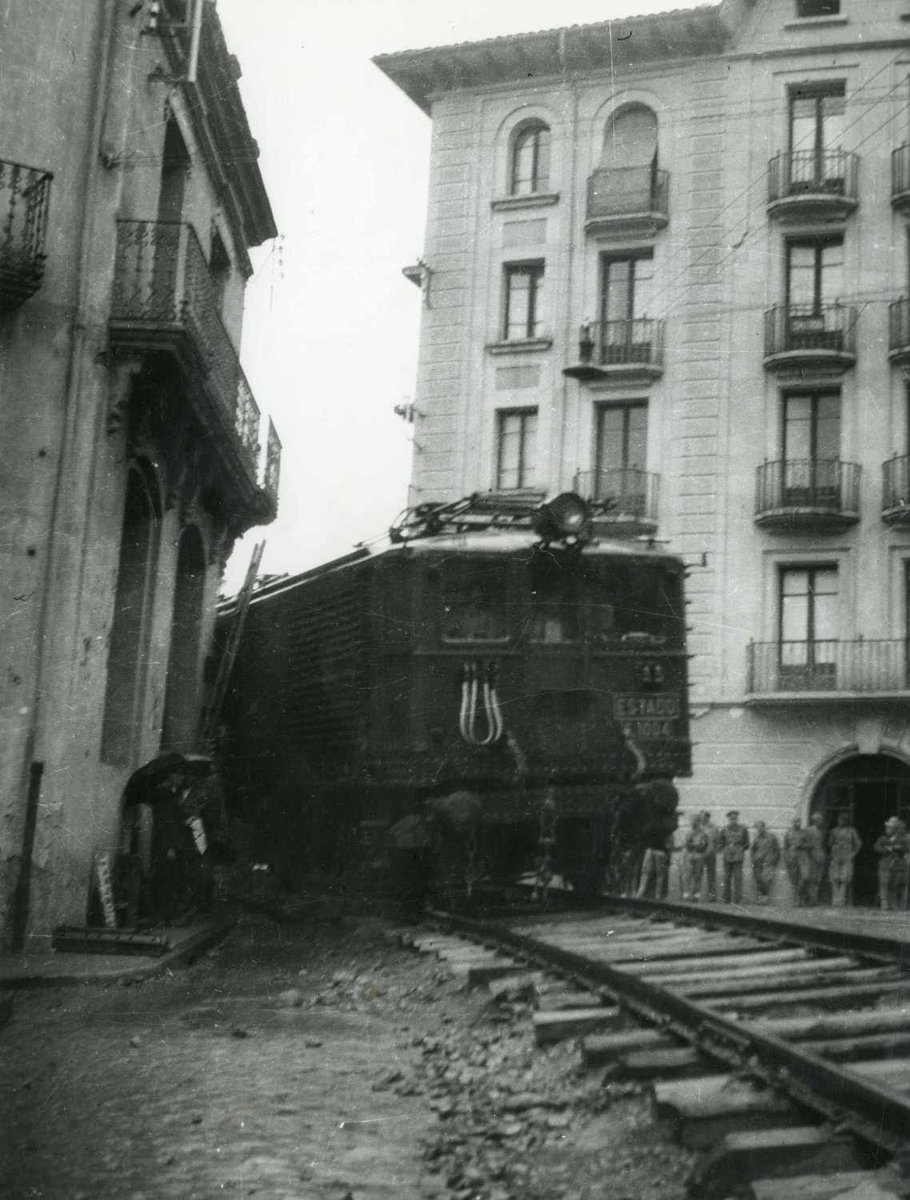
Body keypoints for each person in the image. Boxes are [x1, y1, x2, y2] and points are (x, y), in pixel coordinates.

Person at [874, 817, 910, 911]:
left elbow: (905, 848)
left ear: (895, 829)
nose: (887, 829)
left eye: (890, 827)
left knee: (893, 886)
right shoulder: (883, 838)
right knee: (883, 884)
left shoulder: (901, 839)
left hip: (895, 866)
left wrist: (895, 847)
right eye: (887, 827)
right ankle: (884, 905)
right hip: (885, 865)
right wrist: (887, 849)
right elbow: (876, 847)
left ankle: (893, 905)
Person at [827, 812, 862, 907]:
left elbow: (858, 844)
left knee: (844, 879)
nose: (841, 821)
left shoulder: (852, 831)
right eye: (840, 819)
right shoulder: (834, 831)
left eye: (844, 819)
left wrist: (853, 854)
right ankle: (834, 900)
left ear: (847, 821)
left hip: (847, 857)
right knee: (834, 878)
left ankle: (841, 900)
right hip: (836, 856)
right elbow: (830, 843)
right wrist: (833, 850)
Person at [718, 810, 750, 905]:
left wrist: (738, 848)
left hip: (738, 856)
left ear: (737, 819)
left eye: (735, 818)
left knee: (738, 878)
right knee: (727, 878)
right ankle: (726, 898)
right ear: (729, 819)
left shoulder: (743, 829)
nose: (733, 820)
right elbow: (720, 842)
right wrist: (726, 848)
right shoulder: (724, 829)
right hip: (727, 856)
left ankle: (738, 899)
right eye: (731, 819)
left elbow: (747, 844)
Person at [750, 820, 781, 903]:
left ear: (764, 827)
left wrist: (774, 861)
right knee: (758, 880)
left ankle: (765, 898)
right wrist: (753, 859)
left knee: (766, 880)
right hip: (758, 863)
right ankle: (760, 898)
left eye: (760, 827)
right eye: (757, 828)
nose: (759, 829)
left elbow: (777, 851)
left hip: (768, 863)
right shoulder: (756, 838)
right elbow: (752, 850)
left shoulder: (772, 837)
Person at [681, 812, 709, 901]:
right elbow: (686, 844)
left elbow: (702, 846)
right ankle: (686, 894)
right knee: (688, 875)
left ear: (698, 822)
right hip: (689, 855)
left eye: (695, 821)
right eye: (692, 821)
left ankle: (696, 894)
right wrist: (694, 844)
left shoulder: (703, 834)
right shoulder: (688, 833)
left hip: (699, 855)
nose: (693, 823)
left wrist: (692, 844)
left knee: (698, 875)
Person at [805, 813, 827, 905]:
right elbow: (806, 844)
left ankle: (814, 899)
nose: (822, 821)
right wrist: (812, 853)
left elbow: (820, 845)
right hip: (812, 858)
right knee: (812, 879)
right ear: (815, 820)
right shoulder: (809, 830)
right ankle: (811, 899)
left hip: (820, 857)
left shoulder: (820, 831)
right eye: (820, 819)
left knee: (818, 879)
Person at [783, 818, 803, 903]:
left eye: (799, 823)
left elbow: (809, 844)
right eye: (795, 822)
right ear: (793, 823)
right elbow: (785, 847)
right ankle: (795, 899)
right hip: (791, 859)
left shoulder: (803, 833)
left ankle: (800, 899)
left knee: (802, 879)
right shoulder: (788, 833)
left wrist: (801, 845)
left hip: (802, 859)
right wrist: (787, 858)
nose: (797, 824)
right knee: (793, 880)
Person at [701, 811, 719, 902]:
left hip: (711, 854)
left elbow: (718, 841)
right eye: (701, 817)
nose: (701, 818)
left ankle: (712, 896)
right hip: (700, 855)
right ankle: (697, 895)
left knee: (711, 875)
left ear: (707, 818)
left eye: (703, 817)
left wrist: (715, 851)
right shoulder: (699, 827)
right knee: (698, 874)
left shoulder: (714, 828)